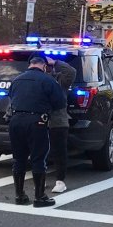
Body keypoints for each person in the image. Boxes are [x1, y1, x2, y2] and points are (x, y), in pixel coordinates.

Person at [8, 56, 67, 207]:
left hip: (15, 121)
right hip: (37, 122)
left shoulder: (16, 80)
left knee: (19, 158)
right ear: (44, 66)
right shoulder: (48, 81)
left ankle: (19, 195)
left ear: (30, 65)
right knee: (38, 158)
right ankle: (39, 197)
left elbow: (11, 98)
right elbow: (59, 103)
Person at [44, 54, 76, 194]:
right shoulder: (35, 79)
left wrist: (56, 62)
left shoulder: (59, 79)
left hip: (58, 120)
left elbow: (71, 72)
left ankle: (60, 181)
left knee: (59, 151)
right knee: (39, 152)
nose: (46, 68)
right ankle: (40, 178)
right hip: (39, 120)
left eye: (48, 66)